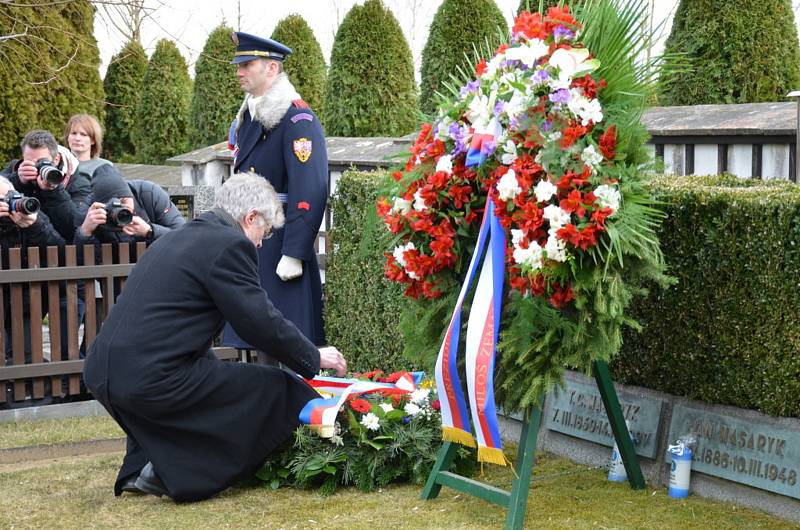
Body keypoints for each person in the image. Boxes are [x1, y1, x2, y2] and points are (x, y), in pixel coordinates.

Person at [82, 173, 347, 502]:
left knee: (203, 373)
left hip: (102, 371)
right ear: (250, 217)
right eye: (263, 233)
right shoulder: (230, 244)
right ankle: (172, 473)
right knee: (278, 388)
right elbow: (258, 320)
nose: (262, 244)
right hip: (147, 376)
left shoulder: (178, 237)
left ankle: (140, 469)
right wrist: (312, 355)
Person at [223, 32, 328, 353]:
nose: (239, 71)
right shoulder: (250, 119)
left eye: (247, 64)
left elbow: (310, 188)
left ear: (271, 68)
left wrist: (294, 252)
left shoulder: (296, 119)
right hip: (251, 243)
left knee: (288, 344)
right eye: (238, 64)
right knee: (256, 340)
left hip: (279, 243)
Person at [0, 175, 66, 407]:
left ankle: (31, 400)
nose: (8, 204)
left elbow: (59, 250)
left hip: (25, 302)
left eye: (8, 197)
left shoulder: (31, 215)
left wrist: (34, 225)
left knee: (27, 355)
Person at [4, 130, 91, 242]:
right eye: (29, 161)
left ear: (56, 159)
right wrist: (17, 181)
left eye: (41, 162)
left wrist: (54, 191)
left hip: (57, 252)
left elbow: (74, 228)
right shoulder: (16, 169)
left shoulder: (78, 182)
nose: (36, 167)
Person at [75, 170, 184, 246]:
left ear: (131, 195)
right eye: (112, 205)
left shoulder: (149, 194)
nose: (121, 209)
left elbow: (184, 238)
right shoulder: (89, 210)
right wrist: (85, 233)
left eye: (123, 201)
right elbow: (84, 265)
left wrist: (150, 231)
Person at [64, 113, 113, 181]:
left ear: (93, 140)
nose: (77, 138)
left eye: (83, 135)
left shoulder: (104, 167)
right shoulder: (59, 165)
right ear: (68, 137)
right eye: (73, 133)